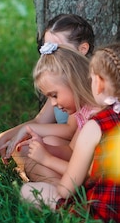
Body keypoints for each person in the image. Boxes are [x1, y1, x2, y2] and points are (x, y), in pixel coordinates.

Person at [0, 14, 95, 162]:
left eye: (57, 49)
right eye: (47, 49)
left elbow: (70, 130)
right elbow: (40, 121)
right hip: (66, 146)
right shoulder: (59, 84)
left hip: (78, 149)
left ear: (82, 49)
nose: (51, 56)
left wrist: (26, 132)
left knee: (47, 141)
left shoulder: (84, 85)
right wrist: (2, 138)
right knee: (26, 145)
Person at [21, 43, 120, 221]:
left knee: (27, 191)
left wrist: (46, 159)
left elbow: (66, 189)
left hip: (100, 214)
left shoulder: (95, 125)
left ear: (98, 83)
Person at [9, 43, 100, 183]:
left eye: (54, 95)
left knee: (33, 172)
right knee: (41, 147)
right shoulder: (84, 111)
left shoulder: (97, 117)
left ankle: (61, 197)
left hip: (95, 182)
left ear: (73, 82)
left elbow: (90, 175)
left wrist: (47, 159)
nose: (53, 104)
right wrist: (45, 148)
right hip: (82, 175)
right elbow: (71, 151)